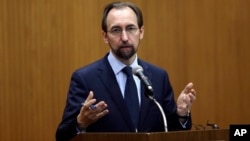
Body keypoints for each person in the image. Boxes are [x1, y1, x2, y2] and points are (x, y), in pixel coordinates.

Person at [56, 1, 196, 141]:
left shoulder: (159, 77)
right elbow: (62, 136)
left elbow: (171, 132)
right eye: (116, 30)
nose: (124, 38)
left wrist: (182, 114)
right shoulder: (85, 79)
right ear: (105, 36)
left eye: (130, 28)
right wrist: (80, 123)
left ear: (141, 32)